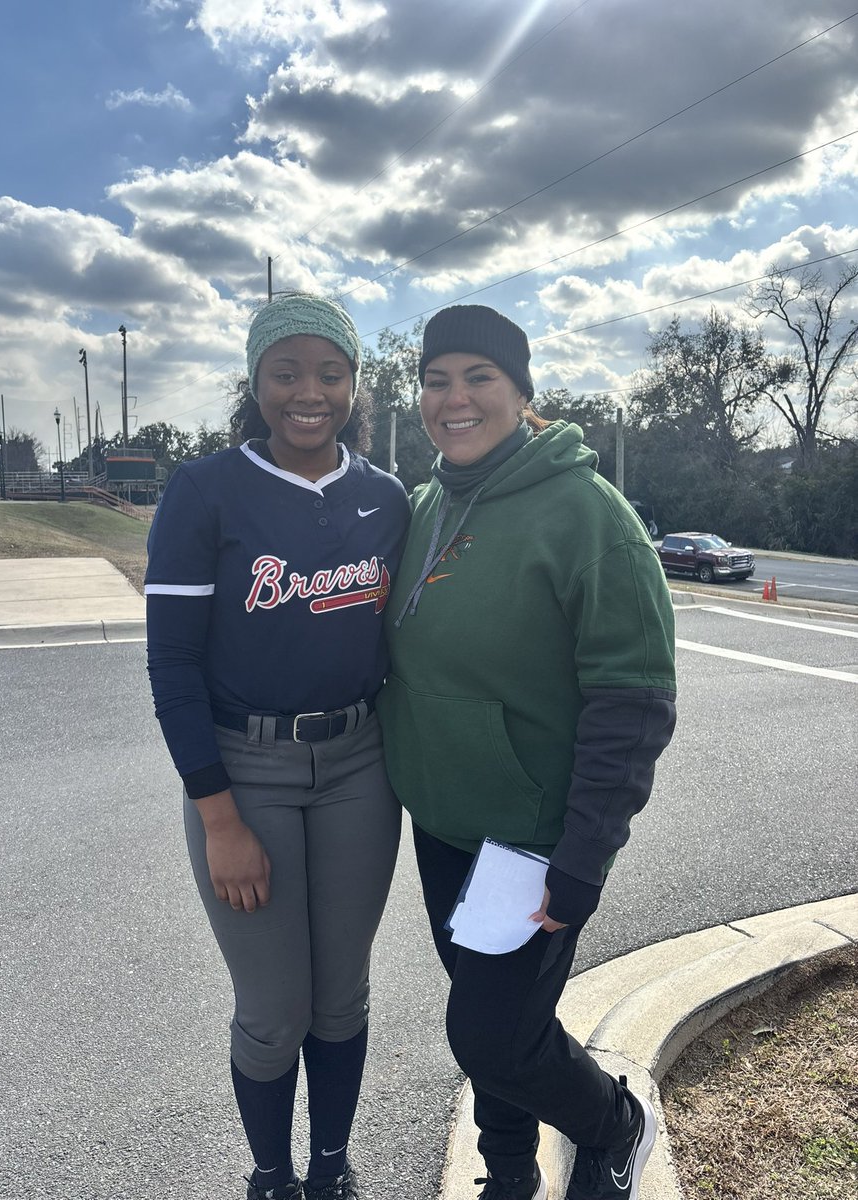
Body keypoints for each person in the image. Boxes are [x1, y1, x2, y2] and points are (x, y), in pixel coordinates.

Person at [377, 305, 677, 1200]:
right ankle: (507, 1172)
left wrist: (583, 855)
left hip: (532, 840)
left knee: (491, 1034)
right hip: (445, 825)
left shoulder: (588, 515)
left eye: (479, 379)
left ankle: (615, 1124)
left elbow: (634, 704)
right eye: (437, 380)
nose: (454, 399)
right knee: (499, 1027)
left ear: (521, 393)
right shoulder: (427, 505)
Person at [145, 293, 410, 1200]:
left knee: (342, 998)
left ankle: (332, 1171)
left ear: (354, 385)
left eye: (330, 373)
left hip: (358, 768)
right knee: (273, 1010)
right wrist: (217, 815)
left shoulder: (384, 497)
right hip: (243, 771)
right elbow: (172, 668)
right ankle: (273, 1177)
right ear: (255, 382)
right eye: (286, 371)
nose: (310, 392)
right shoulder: (205, 489)